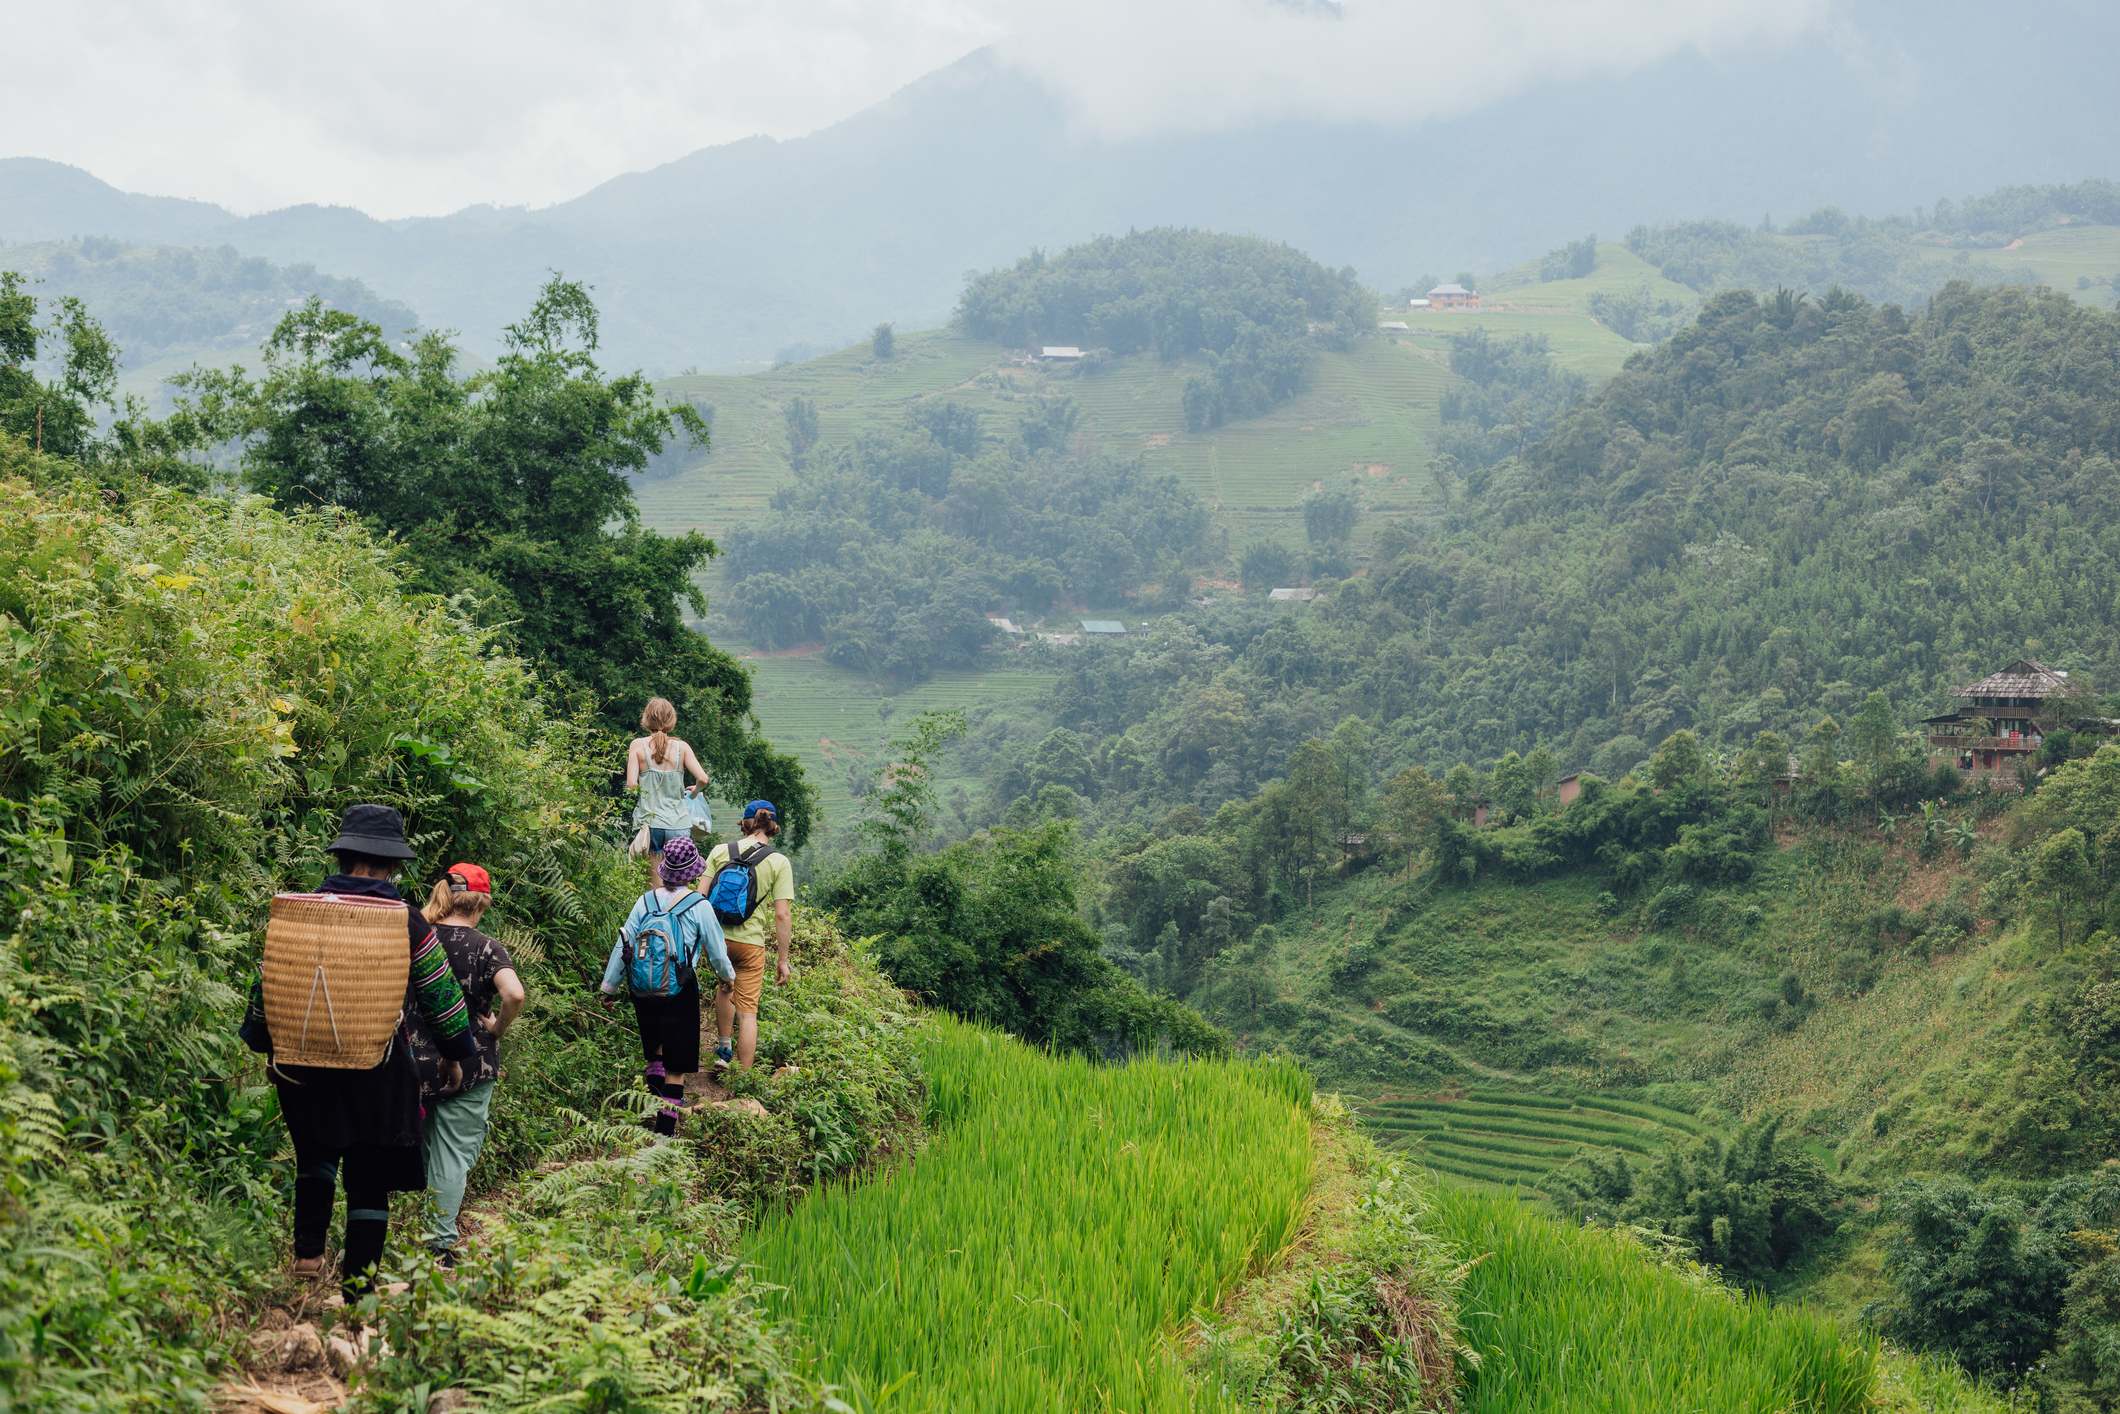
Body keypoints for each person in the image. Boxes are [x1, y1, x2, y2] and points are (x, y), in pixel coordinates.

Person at [241, 804, 479, 1299]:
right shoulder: (406, 922)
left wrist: (268, 1044)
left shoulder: (300, 911)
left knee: (316, 1151)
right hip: (377, 1066)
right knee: (369, 1173)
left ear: (345, 857)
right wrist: (457, 1053)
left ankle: (307, 1253)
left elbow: (270, 981)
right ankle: (357, 1290)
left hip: (302, 1063)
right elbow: (440, 996)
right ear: (392, 866)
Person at [409, 862, 524, 1267]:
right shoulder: (486, 947)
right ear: (483, 903)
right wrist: (496, 1029)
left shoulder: (418, 936)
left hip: (414, 1060)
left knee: (423, 1144)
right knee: (454, 1152)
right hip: (469, 1061)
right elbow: (514, 995)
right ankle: (438, 1242)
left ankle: (413, 1223)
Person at [598, 836, 731, 1135]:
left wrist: (609, 987)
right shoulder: (699, 906)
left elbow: (624, 945)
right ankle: (665, 1131)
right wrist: (727, 978)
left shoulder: (645, 901)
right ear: (693, 873)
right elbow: (717, 950)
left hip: (642, 987)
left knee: (655, 1051)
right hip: (680, 988)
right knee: (677, 1065)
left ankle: (651, 1105)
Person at [704, 801, 796, 1071]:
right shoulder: (778, 861)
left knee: (725, 987)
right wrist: (783, 959)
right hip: (751, 945)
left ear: (744, 823)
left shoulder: (721, 851)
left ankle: (723, 1049)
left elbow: (699, 897)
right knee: (748, 1013)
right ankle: (742, 1078)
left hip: (717, 941)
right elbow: (782, 915)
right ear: (773, 826)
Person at [627, 697, 712, 888]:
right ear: (671, 720)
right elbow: (703, 779)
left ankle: (658, 916)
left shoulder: (637, 746)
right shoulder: (682, 748)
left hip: (650, 824)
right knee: (679, 887)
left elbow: (632, 785)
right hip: (679, 824)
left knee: (655, 887)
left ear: (646, 719)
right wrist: (693, 793)